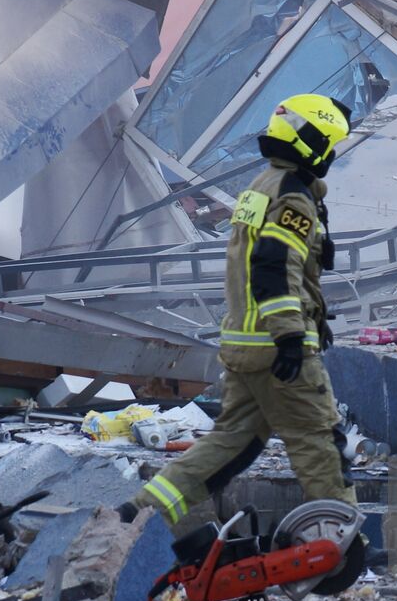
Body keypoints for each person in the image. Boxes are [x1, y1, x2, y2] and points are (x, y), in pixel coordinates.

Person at [118, 94, 358, 526]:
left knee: (229, 444)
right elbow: (272, 266)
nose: (330, 155)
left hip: (243, 345)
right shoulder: (293, 197)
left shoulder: (260, 187)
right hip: (276, 348)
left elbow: (255, 266)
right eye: (327, 144)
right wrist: (289, 336)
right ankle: (342, 545)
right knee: (319, 442)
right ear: (310, 143)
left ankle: (138, 518)